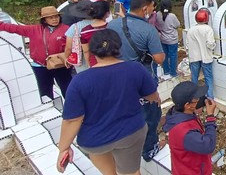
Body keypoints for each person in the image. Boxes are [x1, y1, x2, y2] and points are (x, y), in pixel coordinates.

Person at [57, 29, 160, 175]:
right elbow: (152, 96)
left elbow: (73, 119)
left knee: (109, 173)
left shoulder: (80, 81)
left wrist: (64, 148)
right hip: (130, 132)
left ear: (92, 51)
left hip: (95, 139)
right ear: (118, 47)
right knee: (131, 172)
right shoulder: (135, 69)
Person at [107, 0, 166, 161]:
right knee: (150, 115)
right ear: (145, 8)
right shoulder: (148, 30)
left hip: (116, 79)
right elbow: (159, 59)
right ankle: (149, 150)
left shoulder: (113, 25)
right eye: (153, 8)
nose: (154, 11)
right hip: (141, 81)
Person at [0, 6, 73, 99]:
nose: (54, 19)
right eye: (51, 17)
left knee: (68, 90)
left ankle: (75, 111)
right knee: (45, 93)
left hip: (61, 65)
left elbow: (73, 47)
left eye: (56, 16)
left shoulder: (67, 29)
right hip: (40, 66)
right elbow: (15, 28)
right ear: (44, 20)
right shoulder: (34, 30)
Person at [163, 81, 218, 175]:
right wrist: (210, 117)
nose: (200, 99)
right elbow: (208, 145)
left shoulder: (180, 114)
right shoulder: (184, 132)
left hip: (189, 166)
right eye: (196, 98)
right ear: (187, 105)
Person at [185, 9, 215, 98]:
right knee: (208, 78)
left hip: (194, 57)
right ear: (206, 19)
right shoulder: (208, 29)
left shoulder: (191, 30)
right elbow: (210, 44)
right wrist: (213, 45)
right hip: (206, 57)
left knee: (194, 77)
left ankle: (194, 97)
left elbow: (187, 45)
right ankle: (210, 98)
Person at [155, 0, 180, 78]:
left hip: (162, 39)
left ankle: (166, 71)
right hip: (172, 40)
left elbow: (157, 25)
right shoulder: (172, 16)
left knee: (164, 55)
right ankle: (173, 73)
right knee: (173, 56)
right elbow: (177, 25)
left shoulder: (158, 14)